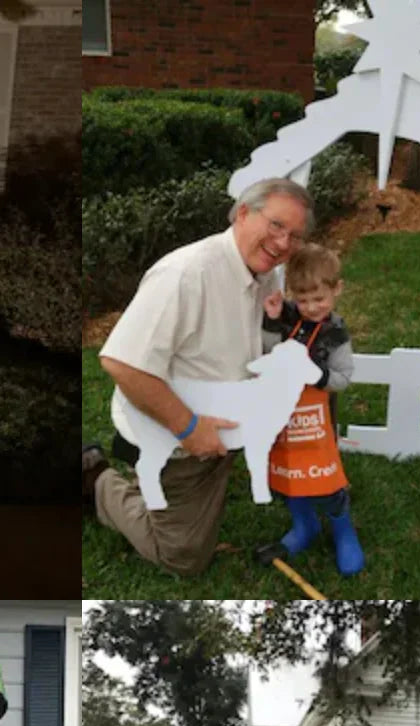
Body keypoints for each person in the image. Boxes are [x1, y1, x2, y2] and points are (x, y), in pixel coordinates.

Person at [82, 178, 313, 578]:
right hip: (178, 436)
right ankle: (96, 480)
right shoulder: (185, 274)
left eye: (294, 235)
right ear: (242, 213)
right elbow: (122, 364)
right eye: (276, 225)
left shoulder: (268, 273)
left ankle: (160, 487)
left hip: (223, 426)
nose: (282, 244)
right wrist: (189, 427)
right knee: (183, 558)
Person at [254, 243, 365, 576]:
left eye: (319, 299)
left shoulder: (336, 335)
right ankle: (304, 526)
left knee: (324, 476)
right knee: (289, 471)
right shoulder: (287, 316)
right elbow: (267, 351)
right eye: (302, 300)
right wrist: (273, 321)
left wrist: (316, 375)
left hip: (318, 420)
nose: (311, 307)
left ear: (337, 290)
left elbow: (343, 378)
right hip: (283, 417)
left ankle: (343, 529)